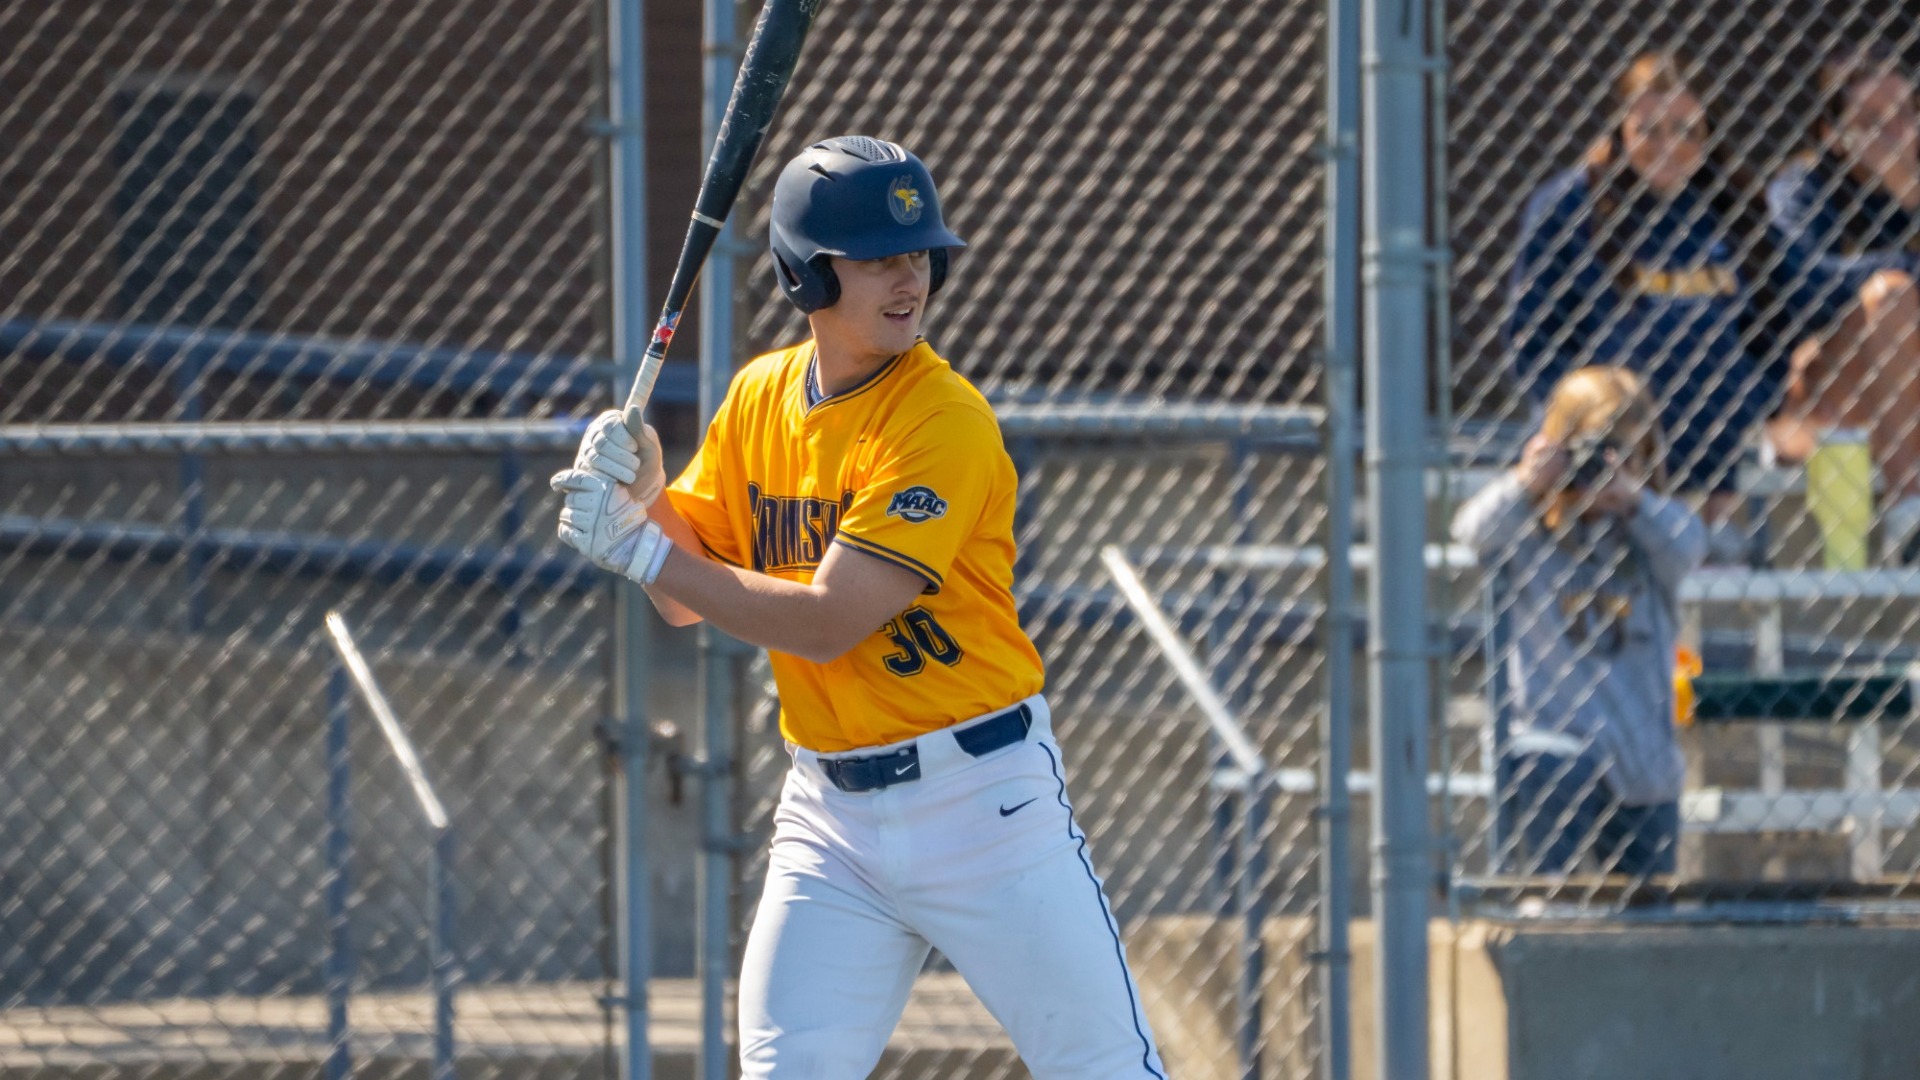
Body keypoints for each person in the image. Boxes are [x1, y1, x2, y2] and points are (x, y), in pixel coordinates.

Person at [551, 136, 1165, 1079]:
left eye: (919, 254)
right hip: (830, 820)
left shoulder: (943, 418)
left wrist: (637, 548)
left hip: (983, 805)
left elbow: (830, 619)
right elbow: (692, 598)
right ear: (808, 276)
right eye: (876, 256)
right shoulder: (759, 396)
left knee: (1104, 1069)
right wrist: (650, 496)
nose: (907, 276)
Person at [1507, 51, 1830, 564]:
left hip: (1710, 451)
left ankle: (1703, 530)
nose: (1669, 147)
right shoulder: (1571, 205)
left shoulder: (1733, 206)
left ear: (1708, 133)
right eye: (1649, 130)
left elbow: (1791, 306)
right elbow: (1531, 337)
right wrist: (1569, 418)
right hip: (1606, 447)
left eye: (1686, 130)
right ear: (1621, 130)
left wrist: (1753, 397)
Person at [1454, 366, 1705, 877]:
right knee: (1556, 771)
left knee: (1647, 908)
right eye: (1591, 453)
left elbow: (1690, 546)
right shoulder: (1528, 528)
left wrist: (1633, 502)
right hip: (1550, 740)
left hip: (1640, 751)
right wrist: (1529, 483)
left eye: (1621, 456)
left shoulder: (1649, 532)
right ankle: (1545, 907)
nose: (1601, 470)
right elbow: (1472, 532)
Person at [1767, 43, 1920, 563]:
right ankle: (1909, 509)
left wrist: (1912, 199)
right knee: (1892, 295)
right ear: (1834, 135)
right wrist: (1902, 264)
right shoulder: (1801, 188)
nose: (1898, 133)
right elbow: (1800, 285)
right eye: (1874, 121)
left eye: (1905, 113)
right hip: (1834, 392)